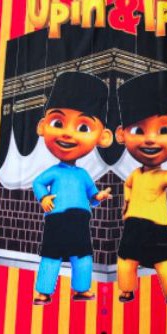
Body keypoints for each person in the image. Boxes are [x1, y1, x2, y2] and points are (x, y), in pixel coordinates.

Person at [115, 70, 167, 307]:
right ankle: (127, 290)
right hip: (133, 224)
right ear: (121, 135)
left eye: (164, 130)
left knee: (164, 260)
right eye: (138, 130)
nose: (150, 139)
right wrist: (126, 205)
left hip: (156, 226)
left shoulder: (162, 176)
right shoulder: (134, 174)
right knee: (126, 259)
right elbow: (128, 185)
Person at [31, 71, 113, 305]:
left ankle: (82, 289)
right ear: (42, 126)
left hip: (80, 219)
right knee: (51, 255)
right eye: (58, 123)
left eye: (83, 128)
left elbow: (92, 196)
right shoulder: (54, 171)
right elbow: (38, 182)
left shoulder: (83, 174)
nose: (67, 133)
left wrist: (99, 196)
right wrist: (43, 198)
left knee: (83, 256)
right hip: (57, 218)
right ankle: (43, 291)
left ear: (103, 137)